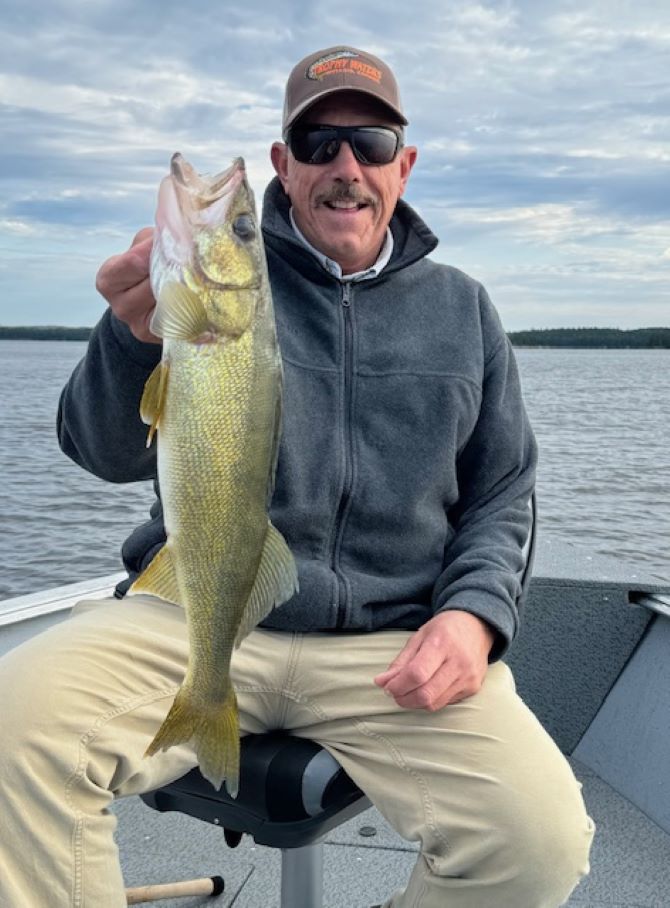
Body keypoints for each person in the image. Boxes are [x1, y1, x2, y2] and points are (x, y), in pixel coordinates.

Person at [0, 45, 594, 907]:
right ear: (283, 164)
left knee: (537, 843)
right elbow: (100, 450)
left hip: (391, 644)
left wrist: (473, 616)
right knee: (12, 728)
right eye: (318, 144)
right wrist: (128, 336)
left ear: (405, 165)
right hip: (197, 608)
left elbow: (504, 494)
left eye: (372, 143)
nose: (345, 167)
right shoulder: (208, 292)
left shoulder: (465, 311)